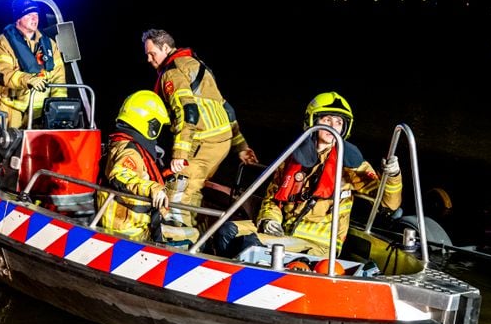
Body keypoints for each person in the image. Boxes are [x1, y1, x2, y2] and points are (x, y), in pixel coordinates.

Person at [214, 91, 403, 259]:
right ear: (313, 121)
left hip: (319, 245)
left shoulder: (351, 164)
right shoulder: (292, 158)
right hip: (284, 231)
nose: (333, 126)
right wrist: (269, 219)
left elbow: (388, 203)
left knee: (251, 245)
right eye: (327, 120)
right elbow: (273, 198)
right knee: (225, 230)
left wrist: (393, 175)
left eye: (338, 122)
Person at [142, 28, 259, 227]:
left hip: (202, 141)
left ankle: (178, 241)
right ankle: (195, 231)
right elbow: (226, 108)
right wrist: (241, 147)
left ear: (166, 48)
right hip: (222, 141)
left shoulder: (172, 73)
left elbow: (187, 112)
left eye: (152, 54)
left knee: (178, 193)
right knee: (193, 189)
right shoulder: (196, 64)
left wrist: (180, 153)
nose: (149, 60)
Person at [95, 90, 198, 246]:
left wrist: (166, 173)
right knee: (194, 235)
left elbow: (140, 174)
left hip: (129, 220)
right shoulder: (130, 150)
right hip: (133, 227)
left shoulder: (122, 142)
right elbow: (120, 175)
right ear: (150, 124)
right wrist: (153, 188)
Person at [0, 0, 67, 129]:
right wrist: (28, 80)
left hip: (40, 113)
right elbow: (3, 74)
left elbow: (58, 77)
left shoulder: (49, 44)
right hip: (12, 108)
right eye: (29, 15)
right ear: (18, 18)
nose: (34, 18)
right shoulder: (3, 43)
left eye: (36, 15)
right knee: (10, 146)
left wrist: (59, 107)